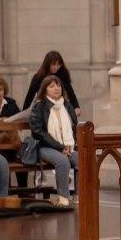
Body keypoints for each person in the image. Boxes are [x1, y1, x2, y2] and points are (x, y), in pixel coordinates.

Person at [28, 75, 79, 207]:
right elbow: (38, 132)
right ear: (45, 90)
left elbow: (74, 126)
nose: (56, 88)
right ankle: (63, 196)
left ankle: (79, 195)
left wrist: (68, 146)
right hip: (45, 147)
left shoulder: (66, 105)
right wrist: (59, 147)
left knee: (81, 159)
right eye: (51, 86)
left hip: (68, 146)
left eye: (58, 85)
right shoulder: (39, 106)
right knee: (63, 162)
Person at [23, 51, 81, 117]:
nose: (56, 67)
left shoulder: (63, 75)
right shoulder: (38, 77)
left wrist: (76, 106)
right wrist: (23, 111)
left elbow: (70, 92)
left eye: (58, 64)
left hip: (60, 108)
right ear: (47, 64)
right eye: (53, 65)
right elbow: (30, 95)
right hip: (43, 110)